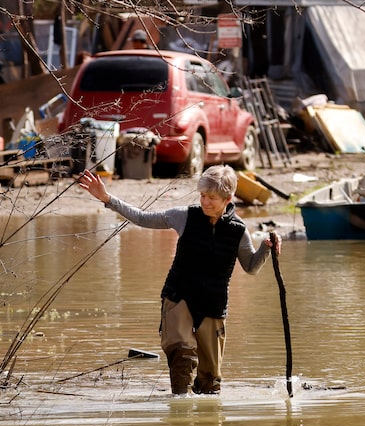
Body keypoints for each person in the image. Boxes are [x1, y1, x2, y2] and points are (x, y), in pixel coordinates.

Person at [78, 165, 281, 395]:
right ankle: (179, 407)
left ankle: (206, 422)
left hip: (213, 304)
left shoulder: (238, 231)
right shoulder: (184, 216)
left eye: (212, 198)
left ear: (228, 198)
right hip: (178, 296)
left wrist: (266, 247)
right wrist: (107, 198)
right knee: (182, 356)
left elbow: (251, 267)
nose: (205, 202)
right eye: (202, 195)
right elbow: (143, 218)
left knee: (210, 380)